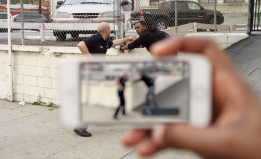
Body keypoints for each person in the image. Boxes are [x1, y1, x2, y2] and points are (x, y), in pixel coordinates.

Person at [121, 37, 261, 158]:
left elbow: (135, 51)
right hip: (164, 65)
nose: (137, 30)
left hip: (156, 76)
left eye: (138, 27)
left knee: (151, 98)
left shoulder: (145, 37)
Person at [74, 22, 134, 137]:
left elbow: (114, 42)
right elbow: (80, 45)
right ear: (107, 30)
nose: (110, 31)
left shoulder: (104, 41)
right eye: (110, 29)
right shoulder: (95, 38)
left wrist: (127, 38)